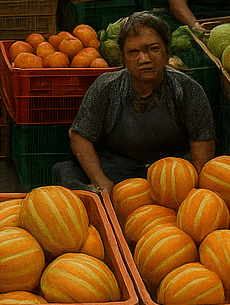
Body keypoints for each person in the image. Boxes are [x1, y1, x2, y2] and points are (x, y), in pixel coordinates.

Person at [53, 13, 215, 193]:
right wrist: (102, 182)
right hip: (119, 171)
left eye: (153, 49)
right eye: (133, 52)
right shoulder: (106, 86)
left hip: (171, 176)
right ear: (123, 57)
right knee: (65, 172)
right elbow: (80, 137)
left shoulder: (187, 90)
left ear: (167, 51)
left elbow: (202, 145)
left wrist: (190, 190)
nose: (144, 59)